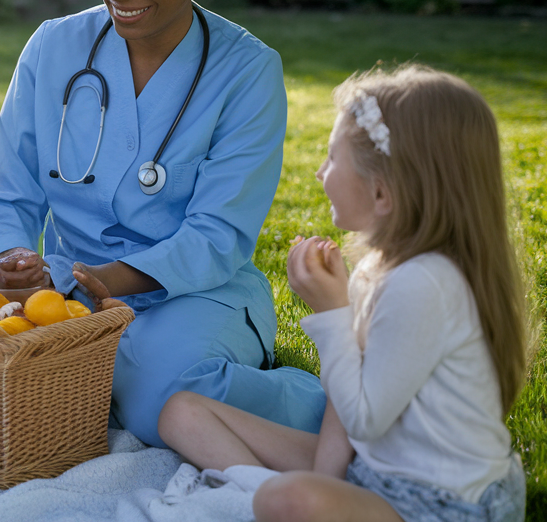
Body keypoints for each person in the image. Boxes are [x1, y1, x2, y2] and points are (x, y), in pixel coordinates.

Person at [0, 0, 326, 447]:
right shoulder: (53, 49)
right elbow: (8, 197)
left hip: (194, 293)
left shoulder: (247, 71)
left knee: (154, 397)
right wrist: (7, 264)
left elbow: (218, 237)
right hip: (67, 287)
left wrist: (97, 281)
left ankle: (337, 412)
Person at [156, 64, 528, 522]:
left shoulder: (424, 284)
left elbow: (364, 417)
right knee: (181, 411)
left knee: (288, 500)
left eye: (332, 159)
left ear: (381, 194)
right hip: (372, 470)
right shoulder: (379, 268)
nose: (318, 172)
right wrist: (328, 481)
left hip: (439, 505)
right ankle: (273, 497)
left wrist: (332, 312)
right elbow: (344, 404)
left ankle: (263, 500)